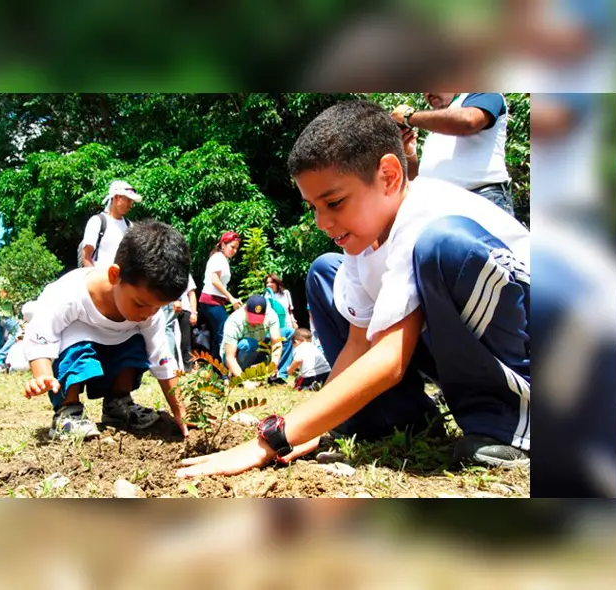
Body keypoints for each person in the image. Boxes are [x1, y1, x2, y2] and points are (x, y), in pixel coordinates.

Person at [179, 100, 531, 479]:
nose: (321, 222)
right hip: (463, 336)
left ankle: (508, 421)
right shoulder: (365, 241)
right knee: (324, 271)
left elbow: (390, 358)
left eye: (334, 202)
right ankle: (400, 419)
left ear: (389, 176)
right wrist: (310, 428)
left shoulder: (427, 215)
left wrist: (272, 439)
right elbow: (359, 343)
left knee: (443, 246)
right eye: (313, 207)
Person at [23, 220, 191, 440]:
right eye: (141, 304)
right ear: (115, 275)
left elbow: (161, 359)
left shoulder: (148, 312)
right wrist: (43, 375)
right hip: (76, 351)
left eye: (157, 307)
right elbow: (41, 336)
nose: (149, 313)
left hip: (114, 353)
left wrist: (181, 411)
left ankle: (118, 405)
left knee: (139, 343)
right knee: (76, 344)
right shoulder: (68, 294)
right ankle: (68, 411)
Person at [391, 93, 514, 215]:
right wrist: (409, 152)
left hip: (480, 198)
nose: (427, 93)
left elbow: (468, 121)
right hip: (441, 209)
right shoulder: (438, 129)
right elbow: (416, 179)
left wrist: (408, 117)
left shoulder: (483, 94)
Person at [197, 231, 242, 363]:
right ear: (223, 244)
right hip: (211, 301)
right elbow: (215, 281)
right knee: (223, 334)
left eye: (236, 248)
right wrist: (231, 298)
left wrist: (229, 298)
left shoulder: (222, 259)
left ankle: (217, 369)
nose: (234, 251)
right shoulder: (218, 258)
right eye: (231, 247)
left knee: (219, 335)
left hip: (215, 301)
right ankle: (220, 370)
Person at [78, 179, 142, 268]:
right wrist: (96, 279)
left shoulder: (129, 226)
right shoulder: (97, 221)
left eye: (132, 201)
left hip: (120, 279)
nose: (131, 205)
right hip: (99, 278)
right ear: (116, 197)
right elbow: (86, 256)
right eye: (128, 200)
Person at [221, 295, 283, 380]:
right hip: (234, 356)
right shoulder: (234, 321)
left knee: (288, 334)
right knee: (249, 344)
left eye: (259, 319)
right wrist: (244, 381)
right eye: (252, 318)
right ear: (245, 309)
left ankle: (277, 375)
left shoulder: (271, 314)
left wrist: (274, 364)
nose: (255, 323)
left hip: (257, 348)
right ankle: (234, 375)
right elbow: (230, 357)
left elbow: (276, 342)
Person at [174, 274, 198, 370]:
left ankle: (188, 367)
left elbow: (191, 294)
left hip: (185, 309)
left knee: (186, 340)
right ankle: (172, 367)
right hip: (169, 308)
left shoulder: (186, 274)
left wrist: (194, 313)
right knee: (171, 339)